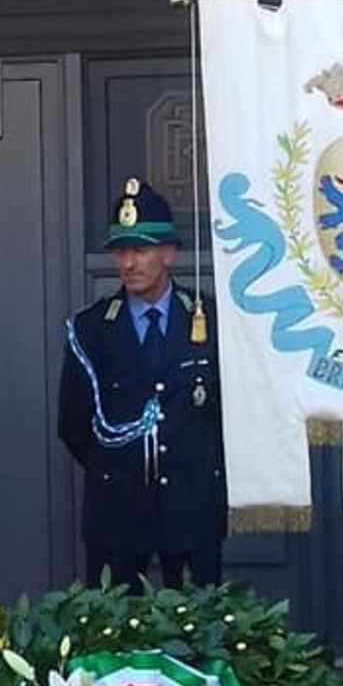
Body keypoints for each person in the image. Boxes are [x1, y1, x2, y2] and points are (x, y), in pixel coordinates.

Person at [57, 178, 226, 588]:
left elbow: (232, 414)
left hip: (192, 506)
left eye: (142, 249)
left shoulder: (212, 320)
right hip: (117, 508)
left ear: (169, 253)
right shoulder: (92, 328)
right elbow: (74, 424)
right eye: (122, 250)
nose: (129, 263)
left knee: (197, 637)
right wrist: (122, 466)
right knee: (115, 640)